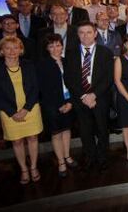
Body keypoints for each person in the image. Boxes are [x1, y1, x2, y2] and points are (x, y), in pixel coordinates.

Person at [0, 37, 43, 184]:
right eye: (8, 48)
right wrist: (12, 112)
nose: (12, 51)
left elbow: (35, 88)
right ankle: (24, 169)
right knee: (17, 141)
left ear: (21, 49)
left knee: (33, 138)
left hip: (31, 108)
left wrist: (26, 109)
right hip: (8, 112)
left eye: (15, 47)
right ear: (1, 50)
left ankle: (33, 167)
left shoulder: (29, 65)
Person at [64, 21, 114, 170]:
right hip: (80, 100)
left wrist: (94, 95)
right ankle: (90, 156)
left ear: (95, 34)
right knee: (85, 130)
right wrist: (84, 96)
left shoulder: (106, 52)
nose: (85, 36)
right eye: (81, 33)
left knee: (102, 129)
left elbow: (108, 77)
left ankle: (102, 156)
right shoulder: (70, 53)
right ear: (77, 35)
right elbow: (69, 79)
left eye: (89, 32)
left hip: (100, 98)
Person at [36, 34, 77, 178]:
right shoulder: (42, 64)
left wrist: (70, 102)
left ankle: (67, 156)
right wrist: (60, 104)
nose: (55, 49)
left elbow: (74, 83)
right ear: (47, 48)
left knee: (67, 131)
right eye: (51, 46)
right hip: (53, 105)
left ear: (62, 46)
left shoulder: (67, 61)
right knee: (57, 133)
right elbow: (43, 88)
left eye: (58, 45)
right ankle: (60, 162)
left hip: (69, 102)